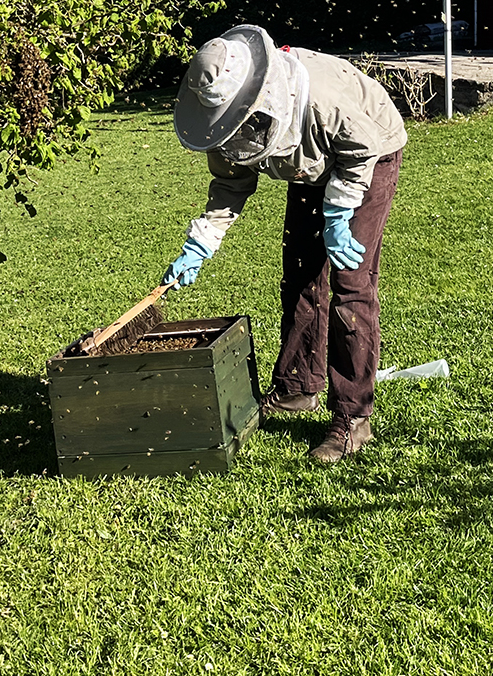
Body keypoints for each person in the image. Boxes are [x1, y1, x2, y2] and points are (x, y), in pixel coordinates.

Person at [163, 24, 407, 464]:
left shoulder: (322, 101)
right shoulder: (221, 118)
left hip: (367, 152)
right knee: (300, 273)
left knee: (351, 285)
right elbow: (230, 183)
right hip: (312, 164)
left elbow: (361, 149)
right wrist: (202, 241)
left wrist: (338, 215)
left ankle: (353, 418)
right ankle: (297, 387)